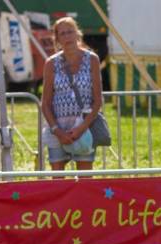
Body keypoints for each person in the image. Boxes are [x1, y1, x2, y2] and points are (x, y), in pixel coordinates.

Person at [41, 17, 103, 171]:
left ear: (77, 34)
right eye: (62, 34)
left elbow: (97, 102)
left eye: (70, 32)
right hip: (57, 129)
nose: (67, 36)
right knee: (58, 181)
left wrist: (82, 128)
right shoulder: (51, 64)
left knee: (85, 180)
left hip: (84, 127)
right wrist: (57, 131)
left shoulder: (92, 60)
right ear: (57, 39)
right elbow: (45, 104)